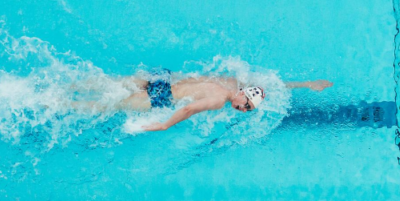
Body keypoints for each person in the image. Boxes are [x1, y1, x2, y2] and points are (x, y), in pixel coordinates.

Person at [64, 69, 332, 132]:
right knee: (105, 106)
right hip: (162, 97)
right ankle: (58, 104)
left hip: (163, 77)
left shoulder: (232, 81)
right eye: (246, 105)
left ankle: (65, 85)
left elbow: (271, 84)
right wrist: (165, 125)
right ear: (242, 96)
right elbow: (190, 108)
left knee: (108, 83)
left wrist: (307, 85)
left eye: (248, 109)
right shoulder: (219, 99)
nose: (243, 109)